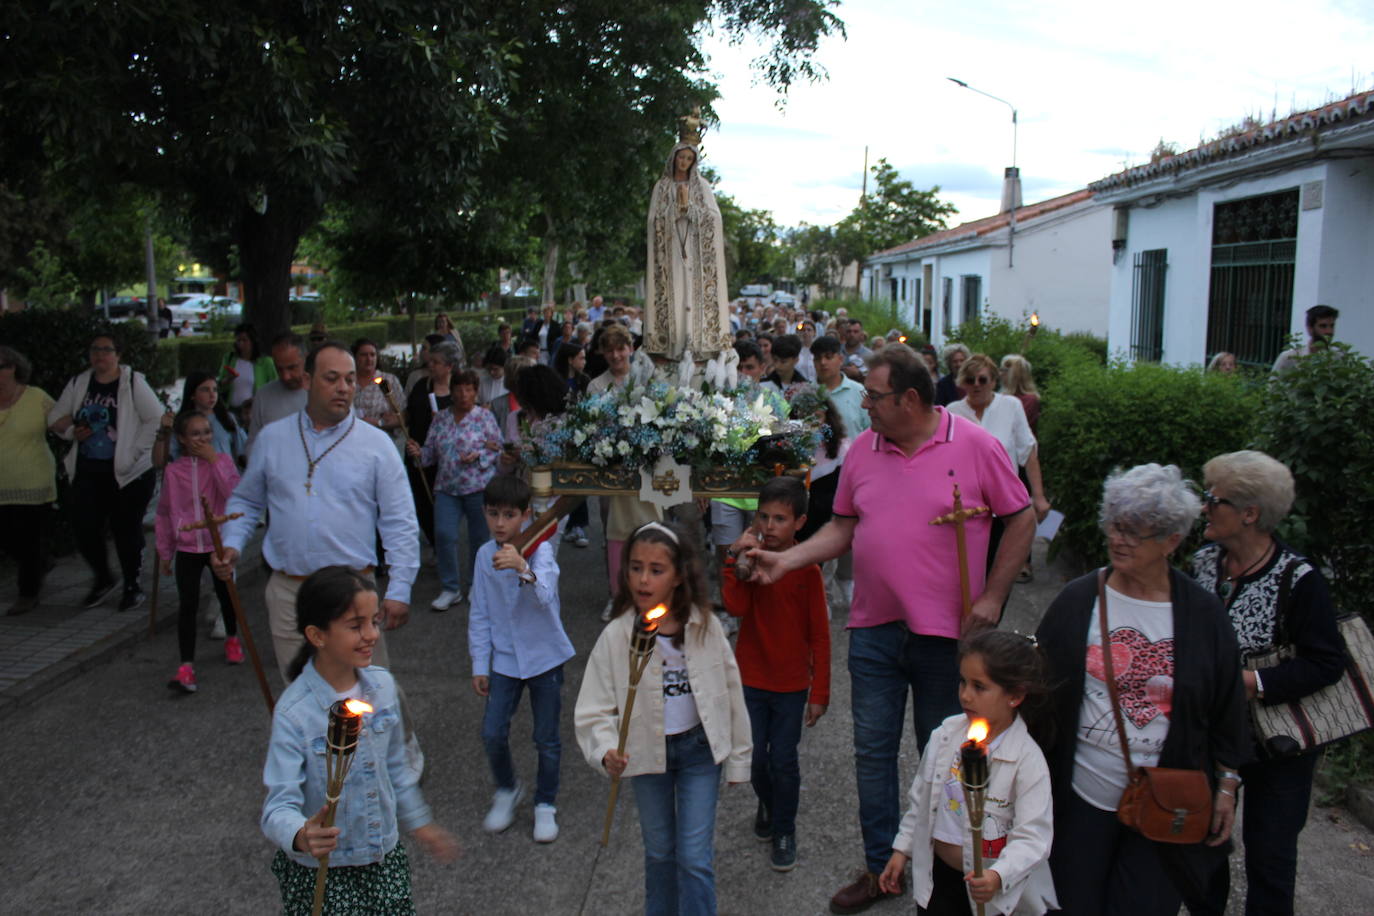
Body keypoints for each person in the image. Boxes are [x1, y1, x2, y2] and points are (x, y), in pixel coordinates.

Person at [745, 345, 1033, 914]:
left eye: (874, 396)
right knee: (872, 754)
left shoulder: (975, 445)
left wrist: (995, 595)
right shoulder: (862, 450)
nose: (865, 404)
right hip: (875, 630)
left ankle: (940, 870)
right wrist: (790, 559)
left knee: (943, 756)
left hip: (947, 639)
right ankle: (882, 868)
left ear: (908, 398)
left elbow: (1021, 514)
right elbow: (843, 527)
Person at [1036, 463, 1248, 915]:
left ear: (1172, 540)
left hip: (1165, 799)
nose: (1119, 538)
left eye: (1136, 531)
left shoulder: (1203, 613)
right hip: (1080, 797)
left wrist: (1227, 784)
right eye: (1115, 524)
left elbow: (1227, 704)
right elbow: (1039, 692)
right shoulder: (1078, 600)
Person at [1192, 451, 1344, 916]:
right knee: (1203, 855)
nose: (1203, 508)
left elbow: (1327, 662)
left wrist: (1253, 681)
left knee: (1270, 860)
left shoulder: (1299, 580)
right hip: (1213, 736)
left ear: (1249, 514)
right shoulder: (1203, 563)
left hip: (1278, 748)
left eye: (1212, 498)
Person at [214, 342, 420, 682]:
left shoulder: (376, 445)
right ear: (308, 381)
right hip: (289, 591)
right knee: (303, 696)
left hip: (352, 591)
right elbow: (247, 501)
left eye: (350, 380)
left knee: (369, 699)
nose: (343, 388)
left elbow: (399, 521)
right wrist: (232, 543)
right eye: (332, 378)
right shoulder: (272, 439)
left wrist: (400, 588)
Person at [575, 521, 752, 915]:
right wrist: (605, 751)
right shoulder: (618, 636)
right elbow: (594, 707)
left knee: (693, 857)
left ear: (678, 576)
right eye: (635, 567)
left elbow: (730, 693)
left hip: (697, 752)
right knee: (658, 852)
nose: (643, 578)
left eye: (656, 570)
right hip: (645, 755)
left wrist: (739, 758)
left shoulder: (705, 627)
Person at [261, 567, 457, 914]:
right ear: (317, 635)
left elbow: (397, 766)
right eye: (355, 626)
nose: (371, 635)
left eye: (374, 622)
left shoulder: (381, 687)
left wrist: (420, 823)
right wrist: (301, 835)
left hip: (383, 855)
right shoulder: (294, 713)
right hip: (325, 870)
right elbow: (278, 806)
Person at [879, 629, 1057, 916]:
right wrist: (903, 850)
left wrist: (998, 875)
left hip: (990, 888)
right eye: (963, 682)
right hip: (940, 878)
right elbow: (922, 799)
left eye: (979, 687)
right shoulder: (946, 736)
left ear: (1015, 696)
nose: (965, 695)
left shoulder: (1027, 761)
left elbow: (1033, 837)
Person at [722, 477, 830, 873]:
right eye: (763, 517)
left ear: (799, 522)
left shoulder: (807, 571)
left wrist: (820, 690)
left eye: (780, 519)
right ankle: (768, 801)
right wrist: (734, 560)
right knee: (753, 760)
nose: (769, 527)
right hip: (751, 676)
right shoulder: (752, 559)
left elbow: (819, 634)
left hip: (789, 684)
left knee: (783, 759)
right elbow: (735, 607)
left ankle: (784, 827)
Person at [468, 475, 575, 843]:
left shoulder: (540, 549)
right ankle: (507, 788)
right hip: (504, 661)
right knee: (492, 731)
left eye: (509, 515)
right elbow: (480, 612)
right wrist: (480, 664)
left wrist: (521, 568)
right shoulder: (484, 555)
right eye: (493, 514)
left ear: (525, 515)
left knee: (546, 737)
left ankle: (545, 802)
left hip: (544, 658)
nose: (500, 523)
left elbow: (545, 597)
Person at [48, 333, 162, 611]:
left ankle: (132, 585)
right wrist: (73, 431)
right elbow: (55, 418)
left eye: (106, 350)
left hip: (130, 473)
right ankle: (103, 578)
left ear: (118, 355)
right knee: (84, 526)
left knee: (126, 529)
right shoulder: (79, 383)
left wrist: (135, 452)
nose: (100, 355)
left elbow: (156, 417)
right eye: (95, 349)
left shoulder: (132, 382)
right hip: (89, 469)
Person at [155, 411, 243, 693]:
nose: (203, 438)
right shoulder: (173, 470)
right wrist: (165, 551)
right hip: (188, 545)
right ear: (181, 438)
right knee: (188, 604)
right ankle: (186, 665)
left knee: (226, 595)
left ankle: (232, 636)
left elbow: (233, 493)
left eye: (207, 432)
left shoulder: (222, 461)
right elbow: (166, 511)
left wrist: (214, 460)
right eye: (195, 434)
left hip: (216, 543)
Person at [947, 354, 1051, 581]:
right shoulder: (953, 412)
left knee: (1000, 572)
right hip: (967, 505)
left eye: (982, 379)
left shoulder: (1010, 406)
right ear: (962, 382)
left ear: (994, 381)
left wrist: (1039, 495)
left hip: (1004, 505)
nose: (976, 385)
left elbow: (1028, 451)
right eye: (969, 379)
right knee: (968, 572)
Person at [407, 368, 502, 611]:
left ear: (475, 392)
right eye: (458, 389)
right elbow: (429, 452)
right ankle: (450, 587)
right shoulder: (440, 418)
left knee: (479, 539)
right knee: (444, 535)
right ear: (451, 392)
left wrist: (479, 455)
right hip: (446, 487)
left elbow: (498, 448)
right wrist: (419, 453)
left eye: (468, 389)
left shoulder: (484, 417)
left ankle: (476, 583)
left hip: (478, 485)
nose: (463, 394)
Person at [644, 141, 734, 362]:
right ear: (674, 158)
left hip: (696, 255)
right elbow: (652, 220)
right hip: (670, 250)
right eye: (681, 157)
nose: (683, 162)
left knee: (694, 294)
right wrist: (672, 213)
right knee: (673, 291)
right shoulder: (662, 187)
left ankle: (700, 344)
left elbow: (714, 217)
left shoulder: (701, 186)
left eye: (688, 159)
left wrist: (692, 211)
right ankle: (672, 344)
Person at [0, 346, 56, 616]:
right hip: (2, 483)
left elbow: (60, 422)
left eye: (2, 366)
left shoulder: (36, 397)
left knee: (29, 539)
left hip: (33, 480)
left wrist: (75, 430)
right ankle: (40, 561)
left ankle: (28, 593)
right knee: (10, 540)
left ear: (14, 368)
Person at [404, 340, 460, 549]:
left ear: (449, 366)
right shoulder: (421, 386)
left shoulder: (459, 391)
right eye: (431, 361)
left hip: (446, 460)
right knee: (422, 504)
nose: (431, 366)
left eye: (436, 362)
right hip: (419, 454)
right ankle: (436, 544)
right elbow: (409, 415)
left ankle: (445, 544)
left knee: (445, 507)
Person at [154, 371, 246, 471]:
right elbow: (160, 463)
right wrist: (163, 431)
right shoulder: (180, 422)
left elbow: (244, 452)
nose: (212, 394)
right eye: (205, 390)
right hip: (191, 481)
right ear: (192, 394)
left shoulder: (227, 418)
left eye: (215, 390)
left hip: (223, 480)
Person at [246, 332, 308, 456]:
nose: (285, 376)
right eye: (279, 369)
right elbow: (253, 443)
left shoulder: (324, 393)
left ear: (306, 358)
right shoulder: (263, 395)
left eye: (292, 368)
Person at [351, 338, 404, 453]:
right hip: (353, 444)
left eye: (372, 355)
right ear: (355, 357)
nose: (369, 359)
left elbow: (404, 416)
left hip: (382, 444)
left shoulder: (389, 380)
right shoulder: (348, 381)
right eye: (364, 355)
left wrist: (380, 423)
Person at [217, 323, 277, 413]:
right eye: (238, 340)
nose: (241, 344)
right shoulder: (229, 358)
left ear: (253, 341)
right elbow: (219, 386)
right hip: (231, 410)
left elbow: (275, 386)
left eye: (245, 340)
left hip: (254, 411)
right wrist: (228, 379)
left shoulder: (265, 362)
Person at [1272, 304, 1338, 374]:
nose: (1329, 331)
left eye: (1332, 326)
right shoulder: (1289, 358)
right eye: (1323, 326)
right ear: (1310, 328)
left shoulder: (1338, 358)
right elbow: (1273, 383)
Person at [997, 355, 1041, 435]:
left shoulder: (1030, 400)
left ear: (1014, 375)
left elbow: (1014, 427)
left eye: (1003, 370)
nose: (1000, 374)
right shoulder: (999, 397)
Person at [762, 333, 809, 399]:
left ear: (796, 360)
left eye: (783, 362)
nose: (777, 365)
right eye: (775, 360)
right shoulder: (763, 384)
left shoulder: (806, 388)